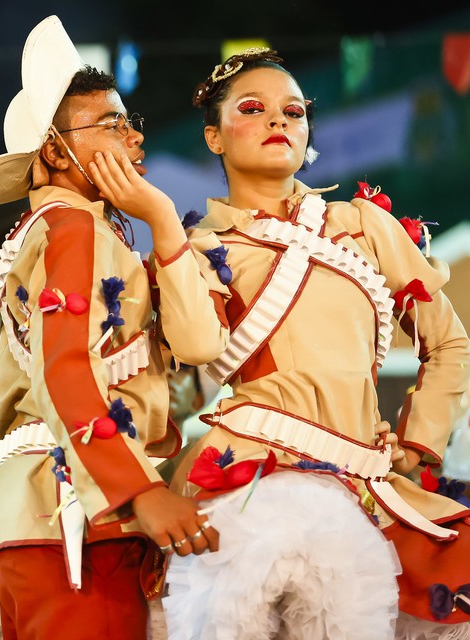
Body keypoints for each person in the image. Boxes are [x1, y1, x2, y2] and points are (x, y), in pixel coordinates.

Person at [133, 48, 470, 639]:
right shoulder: (199, 247)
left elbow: (448, 344)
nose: (278, 122)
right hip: (256, 475)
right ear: (214, 137)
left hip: (365, 475)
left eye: (294, 110)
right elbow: (192, 344)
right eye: (254, 109)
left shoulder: (363, 226)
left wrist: (415, 446)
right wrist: (164, 226)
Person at [0, 16, 228, 638]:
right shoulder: (71, 228)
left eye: (128, 120)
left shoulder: (67, 233)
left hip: (46, 513)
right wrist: (139, 490)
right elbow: (66, 369)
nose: (134, 137)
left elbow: (198, 346)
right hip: (78, 514)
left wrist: (162, 218)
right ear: (56, 151)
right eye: (111, 123)